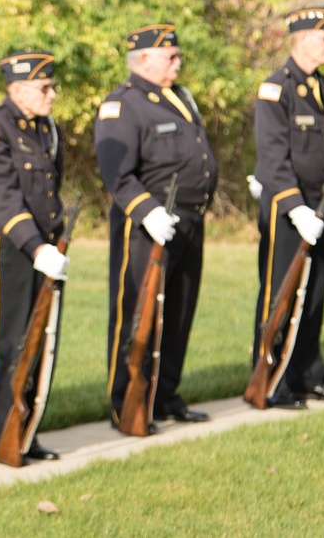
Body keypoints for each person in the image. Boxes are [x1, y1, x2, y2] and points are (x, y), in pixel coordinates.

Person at [94, 23, 218, 432]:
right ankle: (126, 403)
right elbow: (117, 172)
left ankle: (164, 395)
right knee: (137, 313)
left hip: (187, 219)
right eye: (171, 56)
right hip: (149, 223)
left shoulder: (178, 97)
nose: (178, 62)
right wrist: (147, 211)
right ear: (143, 59)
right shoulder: (123, 104)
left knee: (179, 311)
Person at [0, 50, 68, 464]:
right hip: (14, 247)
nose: (52, 94)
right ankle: (0, 432)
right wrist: (36, 246)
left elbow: (49, 186)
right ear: (17, 88)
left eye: (52, 86)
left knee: (41, 340)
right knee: (10, 342)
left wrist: (53, 242)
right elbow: (3, 198)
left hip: (48, 247)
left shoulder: (46, 127)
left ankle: (28, 429)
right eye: (44, 87)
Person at [251, 7, 324, 407]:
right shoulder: (276, 88)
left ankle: (308, 376)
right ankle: (270, 382)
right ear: (304, 38)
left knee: (314, 292)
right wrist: (295, 207)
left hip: (318, 203)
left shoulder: (321, 86)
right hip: (288, 206)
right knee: (280, 294)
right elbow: (273, 158)